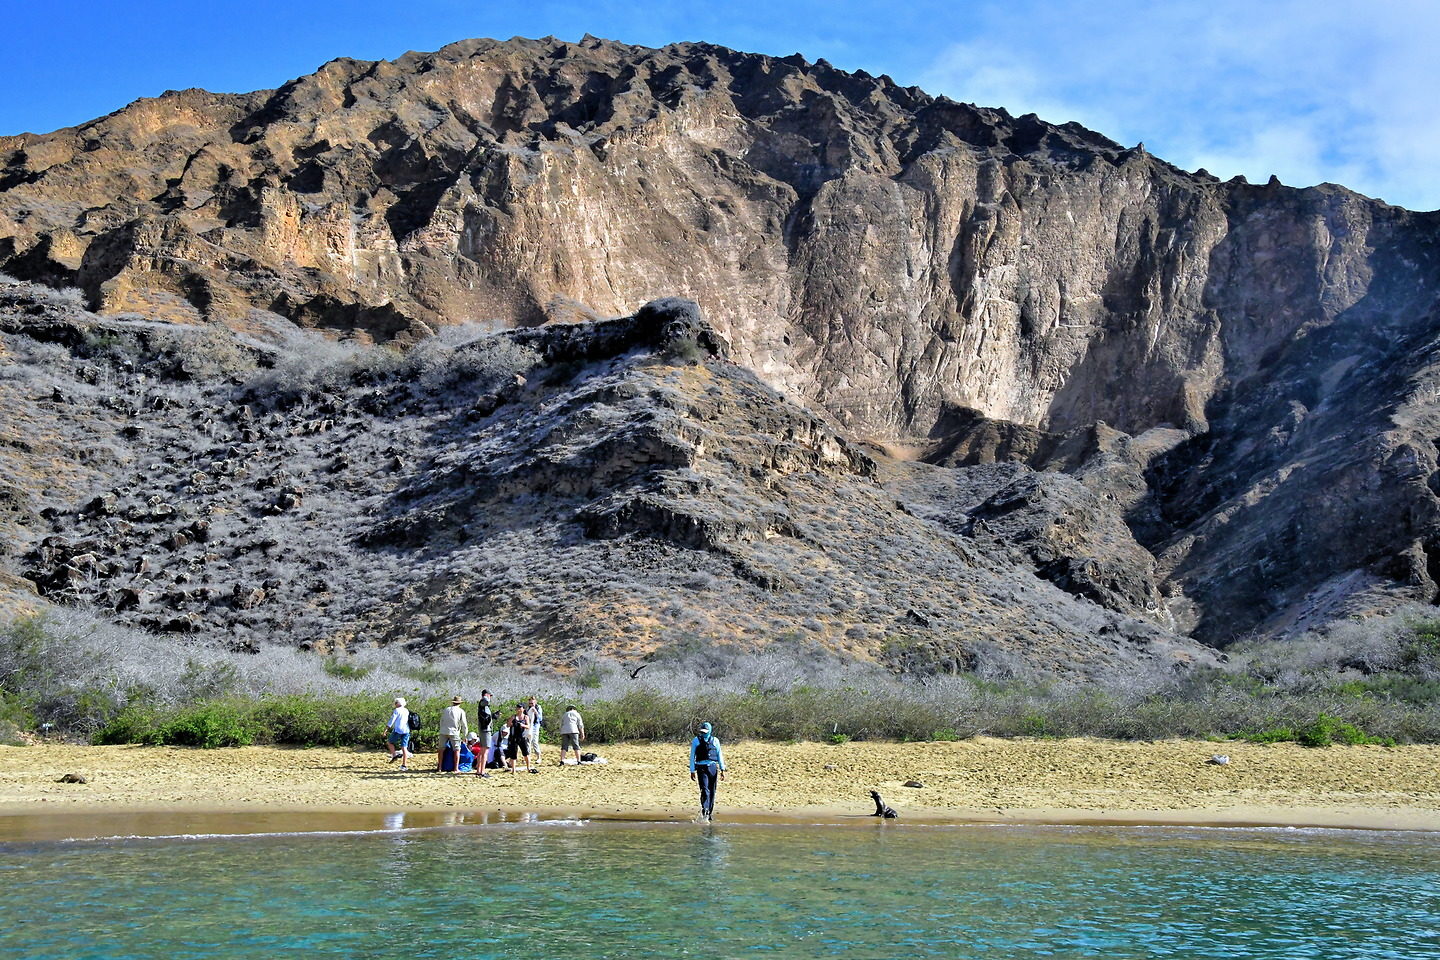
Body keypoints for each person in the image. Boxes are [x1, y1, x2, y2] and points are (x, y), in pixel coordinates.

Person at [688, 721, 726, 821]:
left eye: (706, 731)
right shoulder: (696, 740)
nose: (704, 733)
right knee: (704, 790)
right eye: (702, 732)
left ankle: (709, 813)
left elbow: (719, 754)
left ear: (710, 731)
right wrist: (692, 770)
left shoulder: (715, 741)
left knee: (712, 791)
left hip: (713, 768)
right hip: (701, 768)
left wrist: (722, 769)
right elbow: (692, 756)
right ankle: (705, 810)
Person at [439, 695, 469, 775]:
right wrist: (464, 735)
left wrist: (441, 729)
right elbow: (464, 724)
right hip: (454, 732)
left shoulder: (446, 709)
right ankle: (456, 768)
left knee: (441, 749)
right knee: (457, 749)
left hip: (443, 731)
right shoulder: (461, 711)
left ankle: (440, 768)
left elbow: (441, 721)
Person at [505, 702, 536, 774]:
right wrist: (512, 723)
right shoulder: (514, 716)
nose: (518, 709)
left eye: (520, 707)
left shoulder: (526, 717)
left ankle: (528, 768)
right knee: (513, 754)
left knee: (525, 753)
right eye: (517, 707)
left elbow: (528, 726)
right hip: (514, 737)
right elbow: (508, 725)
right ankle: (513, 770)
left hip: (522, 736)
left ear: (523, 709)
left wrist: (522, 725)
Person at [385, 697, 411, 771]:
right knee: (404, 748)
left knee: (390, 742)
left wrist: (386, 729)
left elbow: (392, 720)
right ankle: (404, 765)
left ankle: (394, 755)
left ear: (397, 703)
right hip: (406, 730)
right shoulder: (406, 710)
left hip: (398, 730)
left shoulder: (397, 710)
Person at [475, 690, 495, 778]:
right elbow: (486, 701)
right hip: (485, 730)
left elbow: (486, 717)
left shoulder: (484, 706)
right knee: (485, 751)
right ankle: (482, 771)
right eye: (489, 695)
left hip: (484, 729)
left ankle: (479, 770)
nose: (490, 697)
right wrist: (486, 696)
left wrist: (493, 716)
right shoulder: (483, 702)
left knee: (482, 750)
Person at [526, 696, 544, 764]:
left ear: (535, 702)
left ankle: (539, 757)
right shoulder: (528, 708)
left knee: (535, 742)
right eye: (530, 703)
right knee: (528, 742)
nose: (531, 704)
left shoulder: (538, 707)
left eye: (532, 703)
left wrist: (536, 712)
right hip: (529, 726)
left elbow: (540, 718)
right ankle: (528, 756)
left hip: (535, 726)